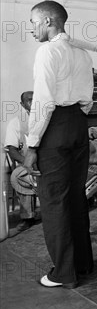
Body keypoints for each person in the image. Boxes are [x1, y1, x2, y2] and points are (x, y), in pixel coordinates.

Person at [23, 1, 94, 288]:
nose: (31, 28)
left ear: (49, 21)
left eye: (33, 22)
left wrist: (31, 144)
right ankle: (83, 264)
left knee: (53, 202)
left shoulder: (47, 52)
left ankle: (63, 273)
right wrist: (75, 118)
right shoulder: (81, 52)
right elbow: (89, 99)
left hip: (55, 126)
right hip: (78, 123)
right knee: (76, 198)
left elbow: (42, 102)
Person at [4, 91, 36, 236]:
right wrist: (28, 162)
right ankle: (27, 217)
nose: (33, 102)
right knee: (16, 176)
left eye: (35, 99)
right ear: (22, 105)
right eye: (29, 100)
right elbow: (11, 149)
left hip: (49, 163)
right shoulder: (16, 122)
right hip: (28, 165)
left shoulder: (48, 119)